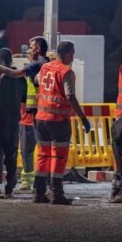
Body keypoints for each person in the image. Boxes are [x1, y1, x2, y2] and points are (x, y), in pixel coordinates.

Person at [33, 40, 91, 205]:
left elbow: (37, 81)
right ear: (66, 53)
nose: (73, 57)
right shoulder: (66, 72)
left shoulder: (45, 67)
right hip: (58, 121)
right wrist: (83, 118)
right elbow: (70, 96)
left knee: (43, 155)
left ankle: (39, 193)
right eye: (72, 53)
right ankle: (57, 194)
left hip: (41, 119)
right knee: (59, 157)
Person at [0, 36, 49, 192]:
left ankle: (43, 184)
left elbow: (15, 73)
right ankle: (42, 183)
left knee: (40, 150)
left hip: (39, 114)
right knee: (38, 150)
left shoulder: (39, 65)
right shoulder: (44, 65)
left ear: (38, 49)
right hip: (36, 114)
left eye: (31, 48)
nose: (28, 51)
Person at [0, 48, 26, 198]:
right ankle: (10, 187)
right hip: (13, 121)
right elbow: (24, 99)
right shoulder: (20, 77)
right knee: (11, 156)